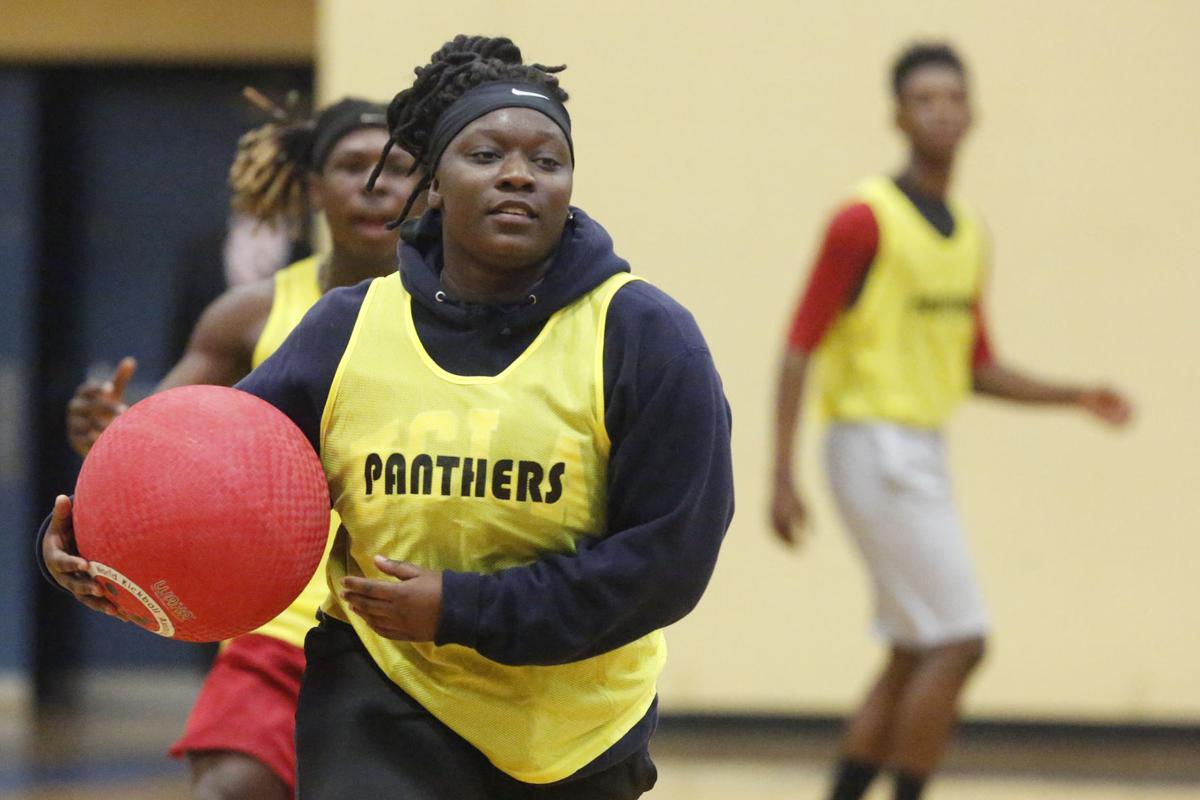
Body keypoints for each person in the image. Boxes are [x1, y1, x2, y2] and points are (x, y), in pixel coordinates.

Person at [41, 34, 734, 800]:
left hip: (578, 721)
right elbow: (210, 477)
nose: (518, 176)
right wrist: (89, 544)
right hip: (384, 685)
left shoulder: (644, 336)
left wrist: (465, 608)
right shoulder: (345, 329)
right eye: (486, 155)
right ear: (433, 183)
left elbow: (668, 563)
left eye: (547, 161)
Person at [771, 42, 1133, 800]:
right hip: (872, 444)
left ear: (972, 112)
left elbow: (975, 367)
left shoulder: (968, 231)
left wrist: (1074, 394)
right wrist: (781, 476)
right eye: (923, 98)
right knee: (962, 642)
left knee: (912, 649)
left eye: (952, 97)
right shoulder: (862, 221)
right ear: (897, 114)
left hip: (919, 448)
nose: (940, 110)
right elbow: (799, 345)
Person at [58, 94, 424, 800]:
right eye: (352, 166)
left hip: (408, 613)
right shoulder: (250, 313)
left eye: (399, 167)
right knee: (227, 788)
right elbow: (155, 436)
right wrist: (110, 431)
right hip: (279, 618)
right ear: (312, 187)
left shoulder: (455, 316)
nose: (377, 184)